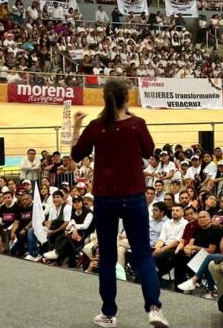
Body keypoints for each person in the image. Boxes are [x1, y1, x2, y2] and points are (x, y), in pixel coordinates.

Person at [70, 78, 168, 328]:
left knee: (107, 257)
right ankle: (154, 308)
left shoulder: (96, 126)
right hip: (133, 196)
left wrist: (76, 126)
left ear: (105, 99)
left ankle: (108, 314)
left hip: (104, 199)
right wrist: (130, 116)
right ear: (126, 99)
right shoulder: (137, 124)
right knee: (142, 253)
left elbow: (76, 154)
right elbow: (149, 151)